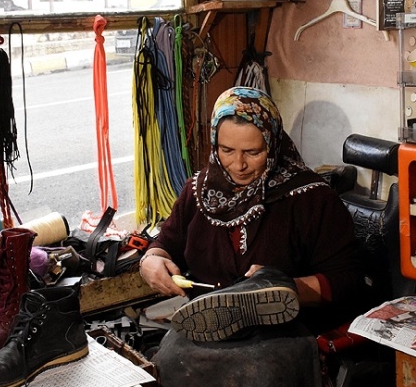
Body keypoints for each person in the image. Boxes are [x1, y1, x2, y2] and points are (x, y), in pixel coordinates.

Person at [139, 87, 374, 386]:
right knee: (169, 364)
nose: (238, 165)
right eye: (226, 151)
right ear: (214, 143)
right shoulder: (197, 192)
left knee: (260, 377)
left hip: (284, 335)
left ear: (274, 143)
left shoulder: (311, 199)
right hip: (206, 335)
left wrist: (284, 289)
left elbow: (348, 279)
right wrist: (152, 261)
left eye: (253, 152)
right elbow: (164, 245)